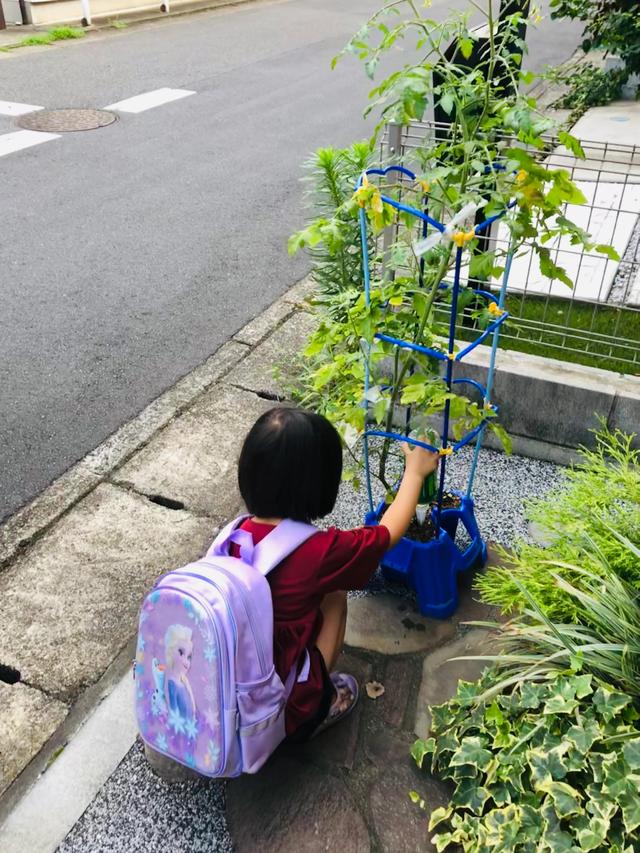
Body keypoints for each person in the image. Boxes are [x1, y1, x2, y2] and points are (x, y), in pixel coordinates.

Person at [233, 406, 439, 741]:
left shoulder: (234, 535)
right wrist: (414, 474)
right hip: (276, 704)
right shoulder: (320, 552)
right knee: (336, 592)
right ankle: (315, 703)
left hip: (234, 682)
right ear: (319, 484)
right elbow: (385, 535)